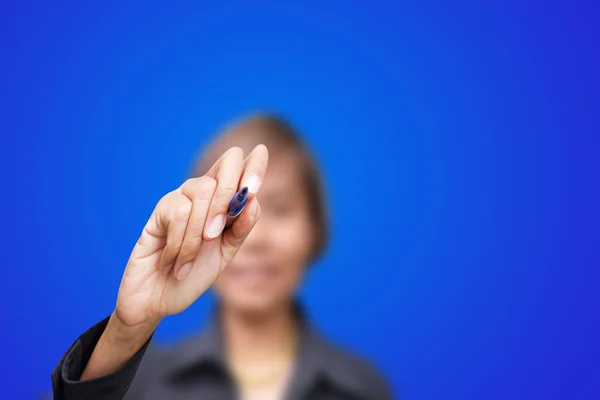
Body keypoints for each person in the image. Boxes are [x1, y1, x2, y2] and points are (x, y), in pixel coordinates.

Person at [51, 114, 393, 400]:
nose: (254, 236)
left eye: (281, 208)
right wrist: (127, 329)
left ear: (316, 230)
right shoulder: (139, 385)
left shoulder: (363, 388)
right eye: (233, 211)